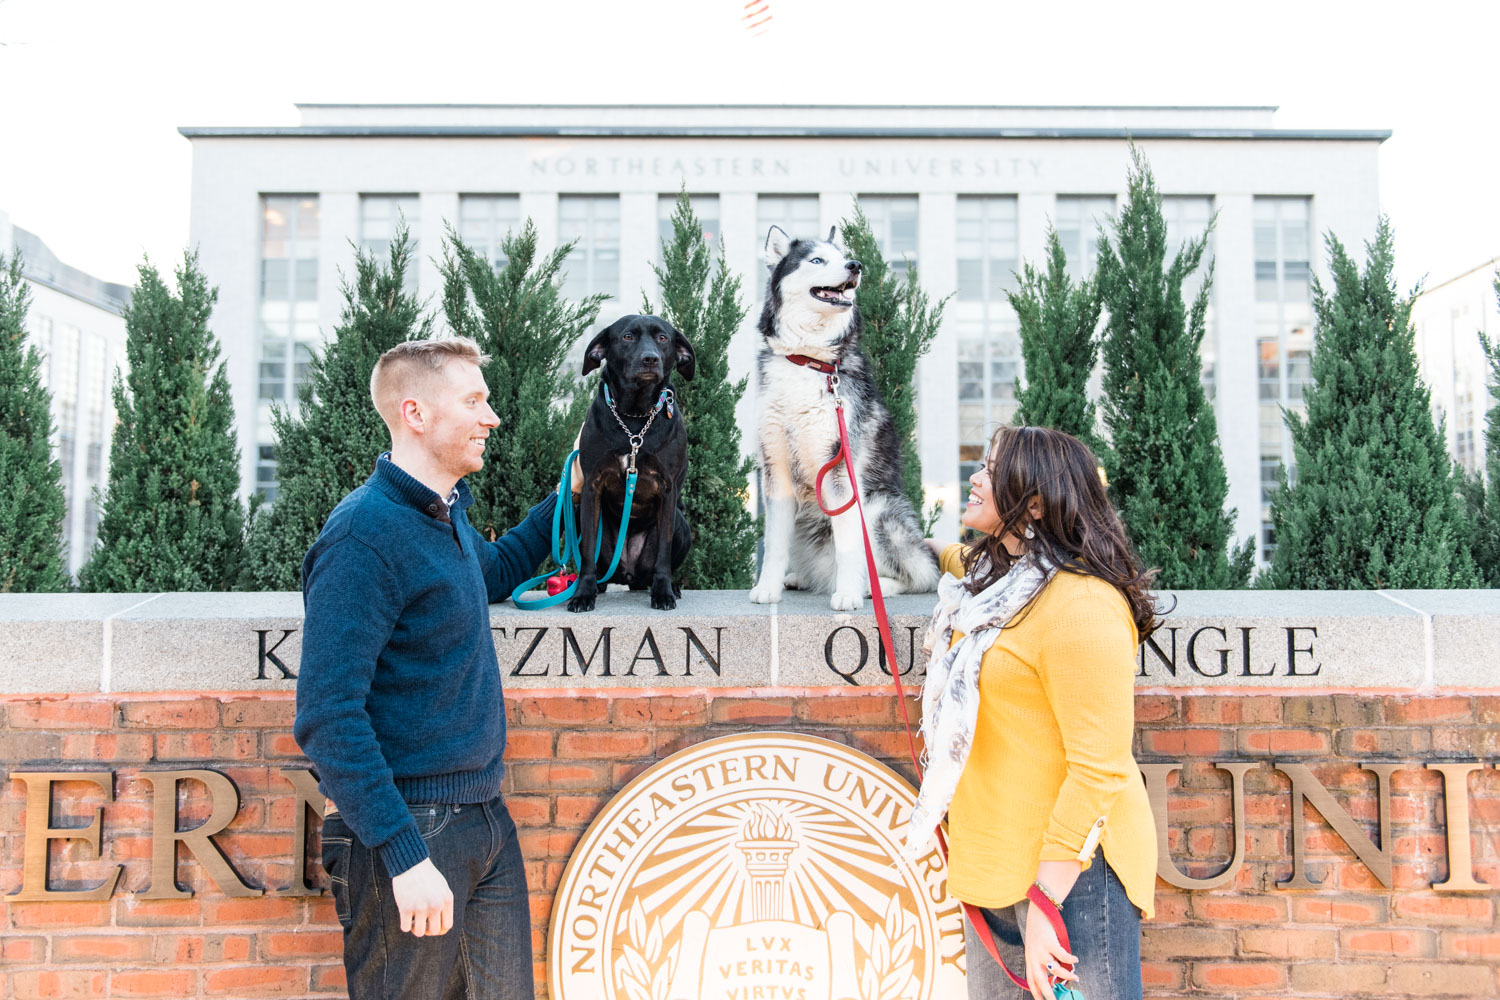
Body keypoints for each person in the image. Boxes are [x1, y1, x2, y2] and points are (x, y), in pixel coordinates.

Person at [295, 337, 558, 1000]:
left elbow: (490, 572)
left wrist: (572, 493)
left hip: (484, 821)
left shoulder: (442, 514)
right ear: (415, 413)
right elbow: (328, 717)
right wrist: (405, 855)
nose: (491, 417)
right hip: (409, 832)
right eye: (474, 400)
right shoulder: (364, 534)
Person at [909, 425, 1159, 1000]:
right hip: (995, 866)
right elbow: (955, 558)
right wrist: (905, 545)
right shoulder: (996, 584)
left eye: (989, 469)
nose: (973, 477)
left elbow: (1099, 768)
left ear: (1036, 501)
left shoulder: (1082, 605)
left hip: (1073, 878)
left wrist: (1048, 900)